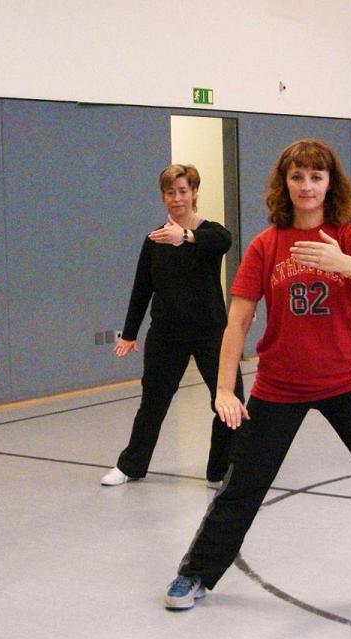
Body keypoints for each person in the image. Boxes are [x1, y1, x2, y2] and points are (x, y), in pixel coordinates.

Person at [163, 139, 351, 616]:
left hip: (345, 380)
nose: (307, 186)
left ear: (330, 184)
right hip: (279, 387)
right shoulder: (266, 245)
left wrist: (346, 264)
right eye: (297, 177)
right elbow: (237, 322)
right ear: (285, 183)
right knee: (242, 488)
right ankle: (196, 572)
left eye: (316, 177)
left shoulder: (348, 235)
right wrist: (223, 388)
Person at [100, 164, 245, 488]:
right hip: (167, 335)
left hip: (210, 332)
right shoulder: (154, 240)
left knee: (230, 397)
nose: (176, 198)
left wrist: (187, 236)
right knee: (153, 401)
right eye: (170, 192)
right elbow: (141, 289)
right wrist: (130, 334)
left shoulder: (210, 233)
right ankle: (131, 466)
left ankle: (220, 470)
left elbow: (223, 241)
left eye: (183, 191)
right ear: (163, 196)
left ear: (194, 193)